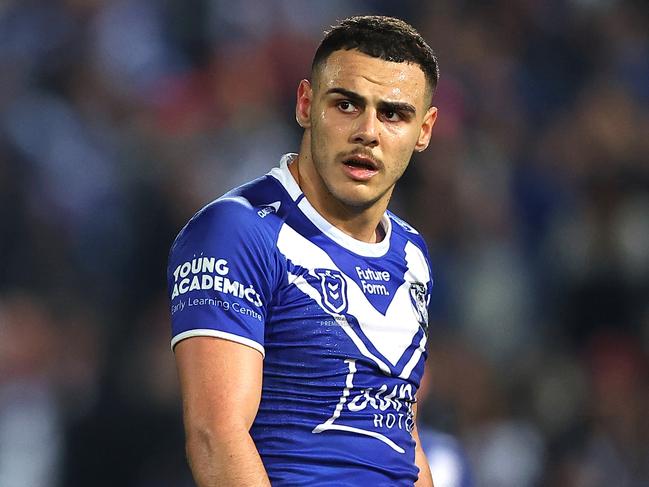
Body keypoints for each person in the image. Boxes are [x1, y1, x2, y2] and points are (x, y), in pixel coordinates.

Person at [168, 15, 439, 486]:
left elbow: (401, 437)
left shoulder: (413, 253)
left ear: (424, 130)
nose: (368, 132)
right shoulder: (238, 232)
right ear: (305, 104)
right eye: (347, 104)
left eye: (393, 113)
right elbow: (216, 433)